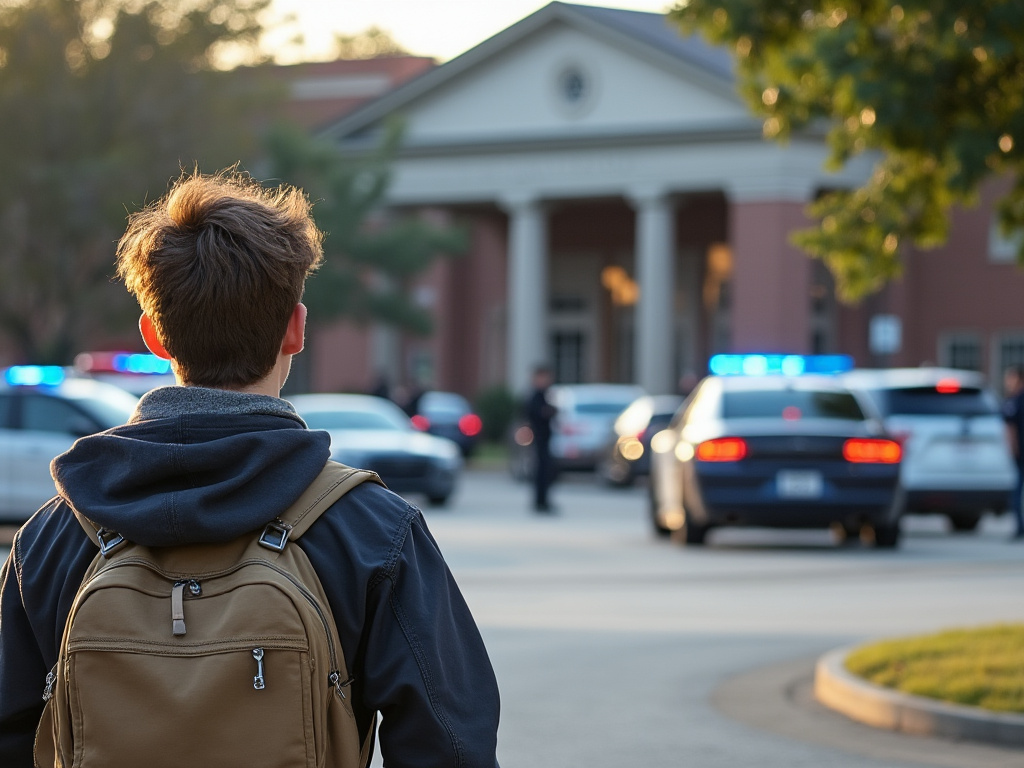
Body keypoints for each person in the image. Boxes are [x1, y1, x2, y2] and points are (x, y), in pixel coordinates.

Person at [0, 170, 501, 766]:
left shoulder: (53, 537)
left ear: (153, 335)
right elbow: (451, 747)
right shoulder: (372, 531)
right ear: (296, 328)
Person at [527, 365, 557, 513]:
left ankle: (543, 500)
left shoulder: (545, 395)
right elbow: (537, 413)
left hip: (545, 438)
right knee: (541, 471)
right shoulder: (535, 396)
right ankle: (540, 501)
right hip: (539, 438)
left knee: (546, 471)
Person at [1002, 365, 1024, 540]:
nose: (1007, 382)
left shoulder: (1013, 402)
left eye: (1011, 378)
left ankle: (1019, 527)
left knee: (1017, 491)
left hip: (1020, 453)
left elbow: (1010, 430)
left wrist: (1012, 450)